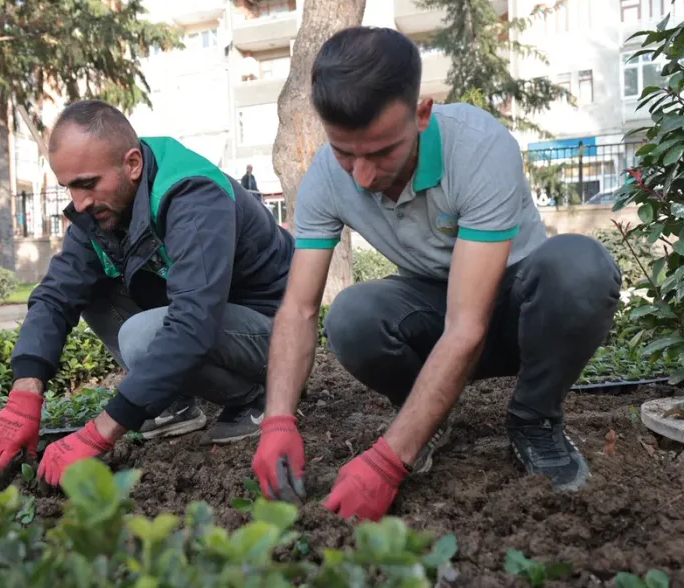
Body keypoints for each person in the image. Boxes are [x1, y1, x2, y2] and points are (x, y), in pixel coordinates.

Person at [250, 27, 621, 521]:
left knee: (581, 268)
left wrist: (387, 462)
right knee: (352, 315)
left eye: (381, 151)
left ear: (421, 114)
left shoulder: (478, 147)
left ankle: (535, 418)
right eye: (345, 152)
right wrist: (277, 421)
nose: (361, 175)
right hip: (436, 304)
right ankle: (426, 417)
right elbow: (298, 308)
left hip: (522, 306)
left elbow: (468, 325)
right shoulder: (325, 176)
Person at [0, 99, 295, 487]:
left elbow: (192, 322)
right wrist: (25, 392)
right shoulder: (107, 205)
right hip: (217, 320)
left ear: (132, 164)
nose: (78, 202)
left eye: (87, 183)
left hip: (274, 330)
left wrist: (99, 432)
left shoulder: (192, 195)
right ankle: (173, 402)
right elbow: (55, 295)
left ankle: (255, 396)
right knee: (90, 291)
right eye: (69, 187)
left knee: (143, 334)